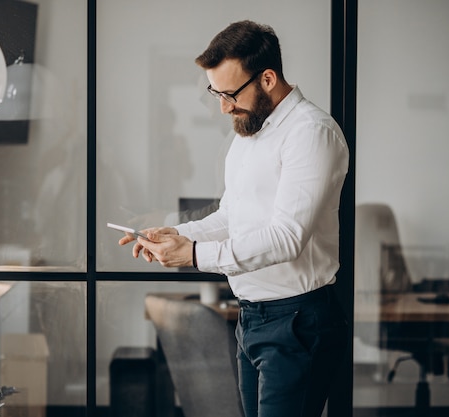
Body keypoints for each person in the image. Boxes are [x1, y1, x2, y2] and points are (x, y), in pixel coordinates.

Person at [119, 20, 349, 417]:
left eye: (229, 94)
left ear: (268, 78)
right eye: (216, 93)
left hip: (298, 320)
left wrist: (193, 256)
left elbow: (286, 238)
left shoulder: (311, 133)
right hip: (252, 316)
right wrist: (176, 233)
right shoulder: (247, 133)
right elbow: (232, 215)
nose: (224, 106)